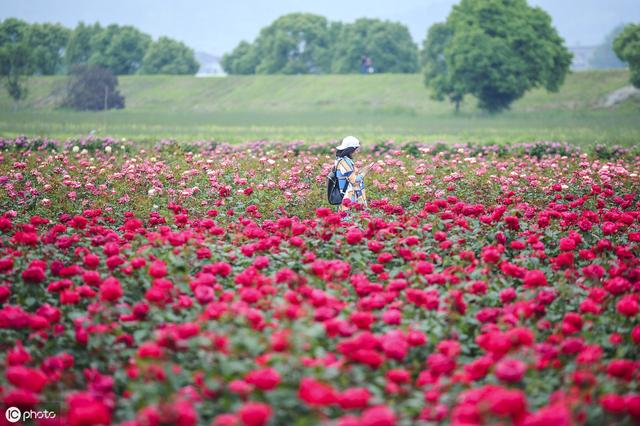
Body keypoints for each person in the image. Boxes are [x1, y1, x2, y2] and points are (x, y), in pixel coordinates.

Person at [335, 136, 369, 216]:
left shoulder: (343, 160)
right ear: (350, 149)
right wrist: (365, 172)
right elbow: (354, 180)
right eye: (356, 149)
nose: (357, 151)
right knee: (348, 218)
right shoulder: (344, 162)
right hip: (349, 194)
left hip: (349, 193)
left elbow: (350, 175)